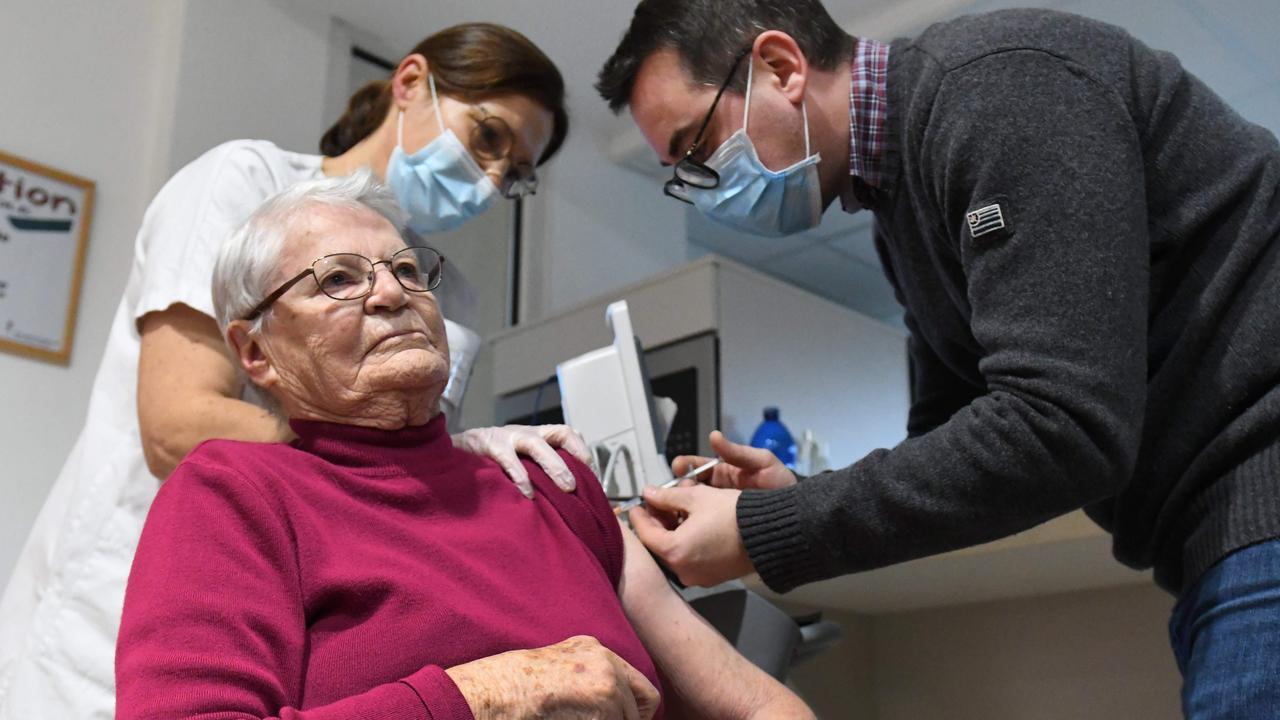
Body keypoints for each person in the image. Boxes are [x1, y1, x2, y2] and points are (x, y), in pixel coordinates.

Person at [596, 1, 1280, 716]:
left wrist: (771, 531)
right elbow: (952, 444)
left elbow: (1065, 426)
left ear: (779, 67)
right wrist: (794, 496)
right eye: (683, 175)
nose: (705, 192)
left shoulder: (1001, 85)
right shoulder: (898, 209)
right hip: (1208, 541)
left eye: (698, 149)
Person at [0, 23, 588, 719]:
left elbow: (409, 477)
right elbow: (178, 423)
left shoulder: (449, 293)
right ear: (409, 84)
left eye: (516, 172)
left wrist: (461, 453)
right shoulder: (246, 184)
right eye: (488, 138)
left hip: (310, 640)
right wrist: (387, 466)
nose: (492, 180)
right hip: (121, 613)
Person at [114, 170, 814, 719]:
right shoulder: (234, 493)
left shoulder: (553, 484)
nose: (393, 294)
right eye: (338, 279)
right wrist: (482, 697)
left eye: (409, 270)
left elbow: (754, 703)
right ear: (256, 352)